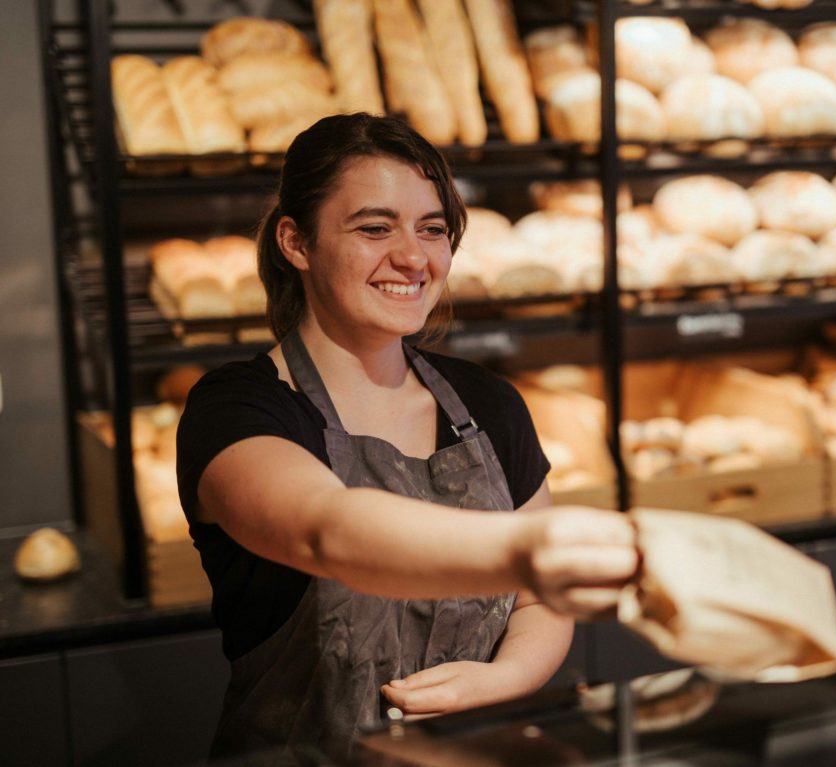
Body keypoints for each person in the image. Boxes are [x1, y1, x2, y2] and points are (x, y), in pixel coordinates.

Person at [176, 112, 639, 764]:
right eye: (374, 228)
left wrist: (502, 679)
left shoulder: (489, 402)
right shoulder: (237, 408)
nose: (414, 258)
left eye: (433, 229)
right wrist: (535, 545)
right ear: (296, 242)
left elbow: (537, 603)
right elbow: (326, 531)